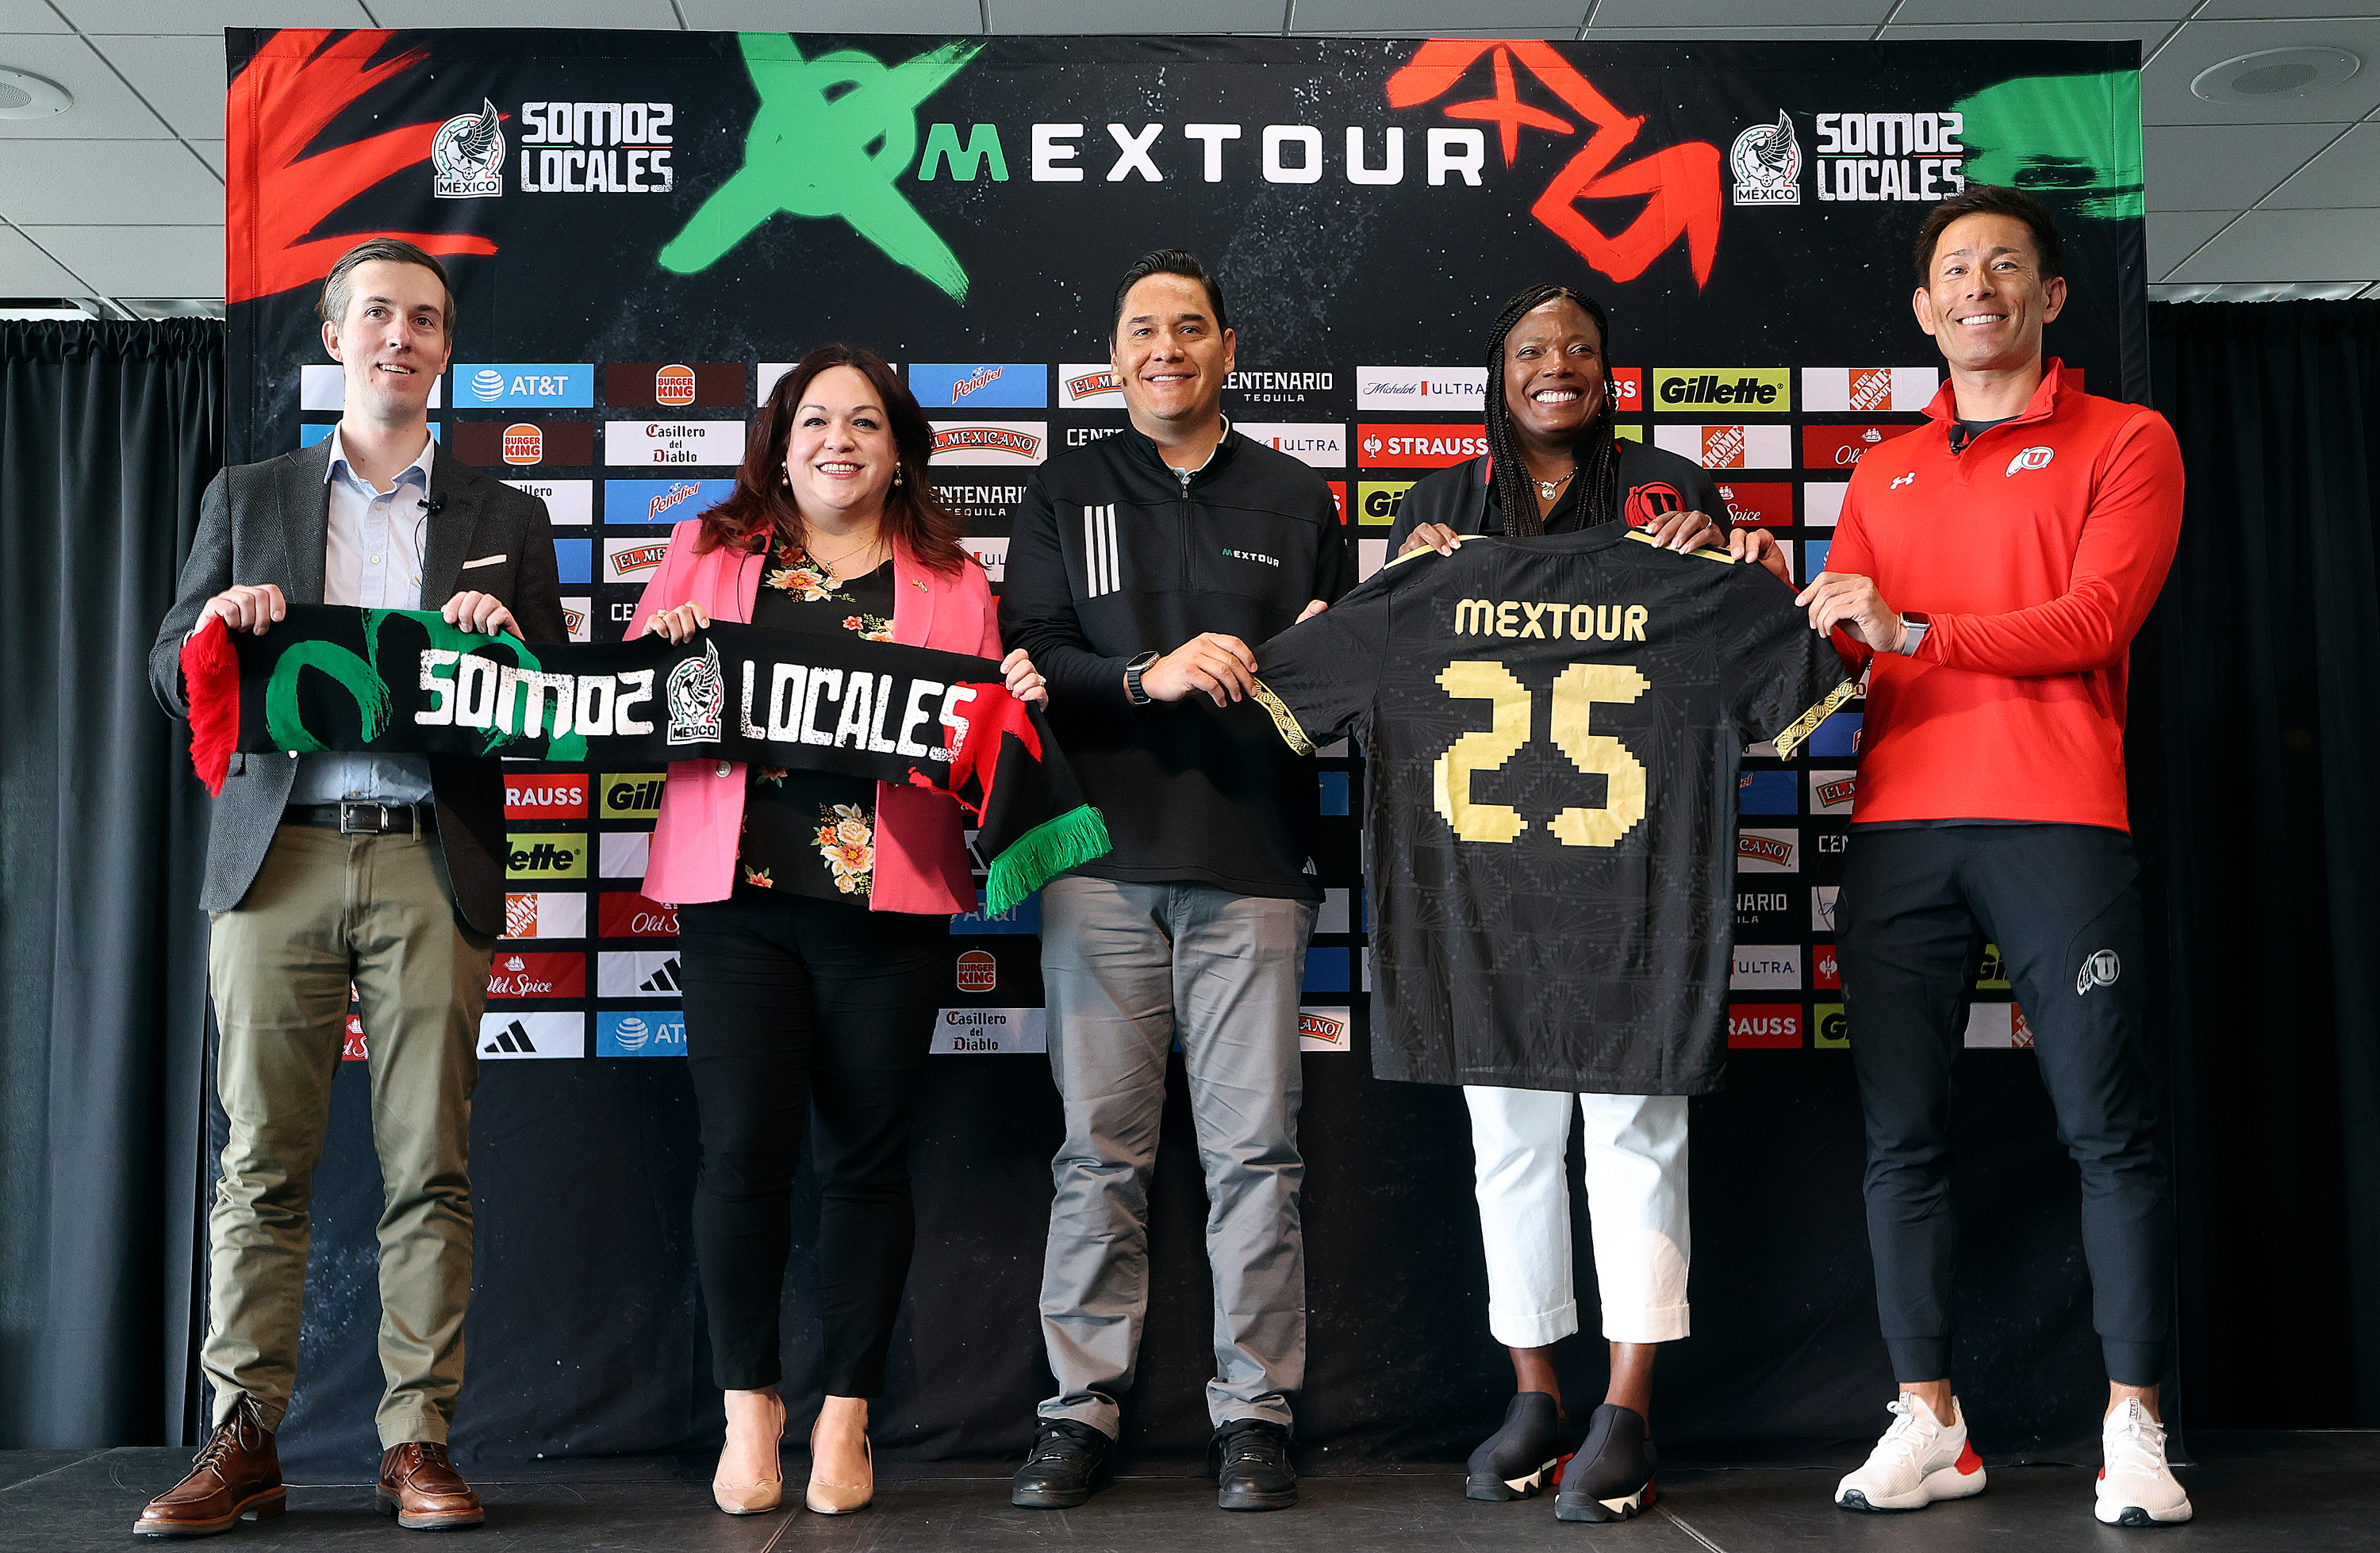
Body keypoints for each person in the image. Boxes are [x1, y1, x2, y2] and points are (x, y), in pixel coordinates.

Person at [140, 239, 563, 1536]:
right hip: (282, 852)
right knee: (260, 1159)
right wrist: (219, 628)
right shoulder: (252, 491)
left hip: (431, 852)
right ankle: (244, 1434)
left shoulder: (509, 518)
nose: (401, 336)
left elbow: (547, 718)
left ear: (446, 349)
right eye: (377, 313)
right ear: (334, 336)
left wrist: (516, 659)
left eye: (425, 319)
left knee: (426, 1162)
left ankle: (414, 1437)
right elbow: (171, 672)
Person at [1798, 185, 2190, 1526]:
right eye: (1954, 270)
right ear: (1924, 310)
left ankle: (2135, 1425)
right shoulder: (1883, 468)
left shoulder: (2127, 438)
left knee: (2108, 1133)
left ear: (2051, 294)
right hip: (1900, 824)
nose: (1979, 286)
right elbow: (1846, 642)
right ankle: (1934, 1419)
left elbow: (2093, 619)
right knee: (1901, 1141)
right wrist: (1749, 586)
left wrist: (1913, 630)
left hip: (2060, 820)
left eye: (2005, 266)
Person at [1388, 282, 1783, 1522]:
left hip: (1639, 886)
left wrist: (1746, 564)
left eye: (1580, 348)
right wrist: (1404, 584)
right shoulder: (1442, 504)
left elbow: (1753, 643)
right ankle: (1537, 1393)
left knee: (1631, 1140)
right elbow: (1387, 655)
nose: (1557, 364)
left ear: (1609, 370)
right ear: (1495, 369)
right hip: (1487, 890)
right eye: (1530, 349)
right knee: (1506, 1144)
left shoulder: (1673, 489)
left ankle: (1629, 1409)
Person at [630, 345, 1045, 1519]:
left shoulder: (956, 580)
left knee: (864, 1162)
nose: (839, 441)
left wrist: (1010, 706)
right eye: (816, 419)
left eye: (865, 422)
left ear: (900, 445)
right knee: (741, 1156)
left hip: (889, 905)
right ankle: (750, 1414)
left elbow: (973, 749)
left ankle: (846, 1421)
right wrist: (658, 661)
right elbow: (640, 700)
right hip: (738, 902)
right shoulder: (705, 552)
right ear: (780, 438)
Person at [996, 249, 1348, 1513]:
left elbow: (1345, 692)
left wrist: (1307, 662)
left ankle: (1254, 1410)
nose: (1167, 350)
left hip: (1253, 868)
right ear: (1115, 355)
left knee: (1259, 1153)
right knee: (1099, 1153)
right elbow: (1031, 653)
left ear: (1229, 351)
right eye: (1142, 329)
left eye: (1190, 329)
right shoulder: (1063, 488)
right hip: (1098, 865)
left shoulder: (1303, 498)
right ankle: (1079, 1408)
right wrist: (1150, 673)